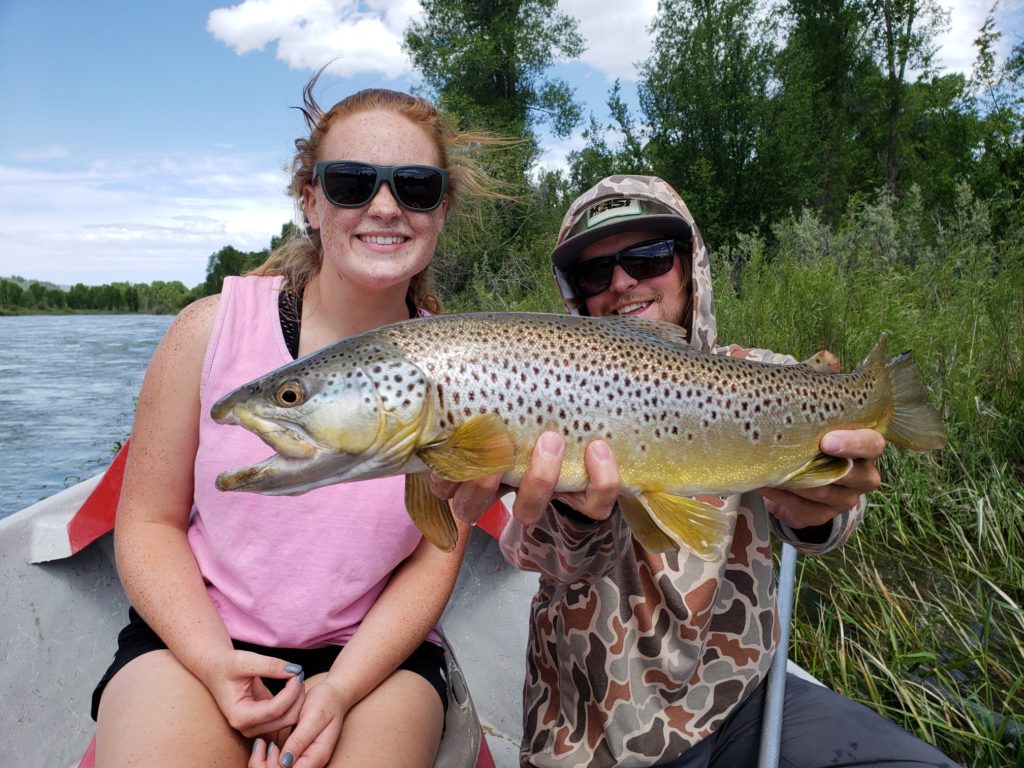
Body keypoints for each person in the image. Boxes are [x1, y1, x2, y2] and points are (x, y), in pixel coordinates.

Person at [433, 176, 959, 767]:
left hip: (742, 700)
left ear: (689, 266)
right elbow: (533, 554)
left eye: (649, 257)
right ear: (575, 297)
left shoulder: (762, 377)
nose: (624, 282)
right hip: (592, 736)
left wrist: (817, 509)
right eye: (594, 273)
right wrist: (575, 518)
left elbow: (837, 516)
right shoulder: (534, 390)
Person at [91, 74, 502, 768]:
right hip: (196, 645)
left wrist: (340, 689)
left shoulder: (471, 366)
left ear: (440, 210)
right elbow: (147, 522)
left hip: (375, 663)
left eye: (415, 187)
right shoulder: (204, 334)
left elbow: (438, 552)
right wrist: (215, 662)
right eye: (349, 183)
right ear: (310, 201)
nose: (383, 206)